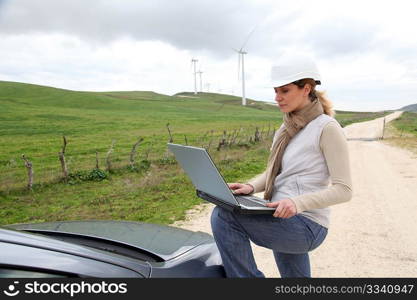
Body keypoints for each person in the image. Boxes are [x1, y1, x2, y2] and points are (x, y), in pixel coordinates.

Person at [210, 55, 352, 278]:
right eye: (276, 91)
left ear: (306, 89)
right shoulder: (288, 127)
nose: (277, 98)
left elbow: (344, 190)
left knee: (224, 216)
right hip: (281, 212)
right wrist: (250, 186)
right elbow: (277, 172)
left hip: (305, 224)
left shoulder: (327, 128)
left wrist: (296, 203)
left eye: (284, 91)